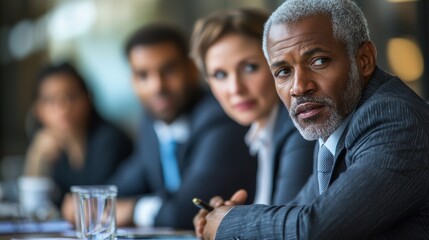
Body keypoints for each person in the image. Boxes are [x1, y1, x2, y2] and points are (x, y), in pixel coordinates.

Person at [196, 0, 429, 239]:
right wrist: (225, 215)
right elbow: (297, 211)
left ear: (364, 60)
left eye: (319, 61)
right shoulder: (333, 125)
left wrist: (230, 221)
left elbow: (316, 229)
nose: (299, 87)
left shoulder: (395, 120)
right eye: (284, 72)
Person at [107, 24, 257, 230]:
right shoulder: (150, 122)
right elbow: (131, 179)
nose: (157, 86)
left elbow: (186, 212)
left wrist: (132, 210)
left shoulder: (219, 118)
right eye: (143, 75)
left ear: (192, 69)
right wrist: (93, 199)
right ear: (133, 81)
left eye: (168, 70)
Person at [190, 8, 314, 206]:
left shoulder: (300, 128)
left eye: (249, 68)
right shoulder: (262, 133)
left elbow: (285, 228)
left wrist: (230, 224)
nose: (235, 89)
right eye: (220, 75)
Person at [24, 62, 133, 206]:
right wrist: (37, 157)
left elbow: (97, 204)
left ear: (87, 98)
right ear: (38, 110)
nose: (62, 107)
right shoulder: (52, 147)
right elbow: (34, 208)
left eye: (71, 96)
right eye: (50, 100)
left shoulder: (110, 140)